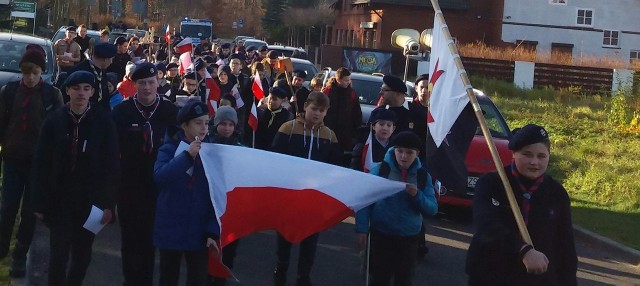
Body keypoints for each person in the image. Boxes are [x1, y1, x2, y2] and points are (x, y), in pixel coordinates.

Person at [31, 71, 120, 285]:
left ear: (92, 92)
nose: (81, 93)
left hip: (90, 202)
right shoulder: (54, 120)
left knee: (82, 255)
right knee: (59, 254)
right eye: (77, 88)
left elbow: (111, 165)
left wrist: (108, 203)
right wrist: (38, 201)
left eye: (86, 88)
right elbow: (41, 163)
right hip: (59, 199)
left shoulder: (103, 121)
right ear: (68, 91)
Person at [466, 124, 578, 286]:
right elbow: (486, 226)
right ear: (514, 154)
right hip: (490, 275)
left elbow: (565, 246)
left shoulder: (556, 193)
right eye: (527, 154)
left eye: (541, 156)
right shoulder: (492, 183)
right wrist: (523, 251)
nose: (534, 162)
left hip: (536, 280)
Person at [0, 45, 64, 278]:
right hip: (13, 159)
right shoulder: (9, 91)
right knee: (7, 207)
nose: (30, 78)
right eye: (26, 73)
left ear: (41, 72)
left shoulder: (51, 94)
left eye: (35, 73)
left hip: (38, 164)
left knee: (29, 212)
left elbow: (59, 130)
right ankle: (2, 248)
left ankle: (20, 255)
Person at [112, 62, 179, 286]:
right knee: (130, 240)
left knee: (151, 240)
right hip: (130, 187)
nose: (147, 88)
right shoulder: (122, 112)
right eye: (142, 83)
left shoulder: (171, 112)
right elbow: (112, 151)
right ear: (134, 85)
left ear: (158, 82)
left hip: (159, 187)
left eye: (151, 82)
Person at [271, 92, 342, 286]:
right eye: (314, 109)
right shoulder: (288, 128)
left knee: (310, 241)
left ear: (326, 112)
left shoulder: (329, 135)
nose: (317, 113)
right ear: (305, 107)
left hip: (314, 198)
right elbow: (275, 159)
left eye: (321, 110)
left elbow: (335, 165)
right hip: (290, 195)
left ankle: (303, 277)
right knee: (285, 237)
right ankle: (280, 271)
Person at [355, 131, 438, 286]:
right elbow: (365, 201)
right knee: (379, 278)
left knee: (404, 280)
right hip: (381, 235)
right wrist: (361, 229)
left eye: (409, 152)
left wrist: (417, 195)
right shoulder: (380, 170)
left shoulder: (422, 176)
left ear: (417, 153)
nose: (403, 156)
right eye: (399, 151)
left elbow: (432, 208)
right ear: (393, 150)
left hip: (409, 238)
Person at [153, 100, 220, 286]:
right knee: (168, 277)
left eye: (207, 123)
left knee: (198, 278)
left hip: (198, 230)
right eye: (198, 123)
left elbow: (217, 195)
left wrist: (213, 231)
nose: (204, 128)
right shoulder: (169, 149)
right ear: (184, 126)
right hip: (171, 227)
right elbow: (160, 177)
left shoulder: (213, 153)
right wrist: (187, 156)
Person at [322, 67, 363, 153]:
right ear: (338, 80)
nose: (348, 82)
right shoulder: (328, 92)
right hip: (329, 128)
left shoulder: (351, 93)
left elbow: (357, 112)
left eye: (349, 80)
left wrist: (356, 130)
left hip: (346, 132)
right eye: (346, 80)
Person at [69, 42, 117, 111]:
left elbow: (105, 98)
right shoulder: (78, 72)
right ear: (105, 59)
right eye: (111, 59)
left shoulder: (102, 73)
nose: (111, 62)